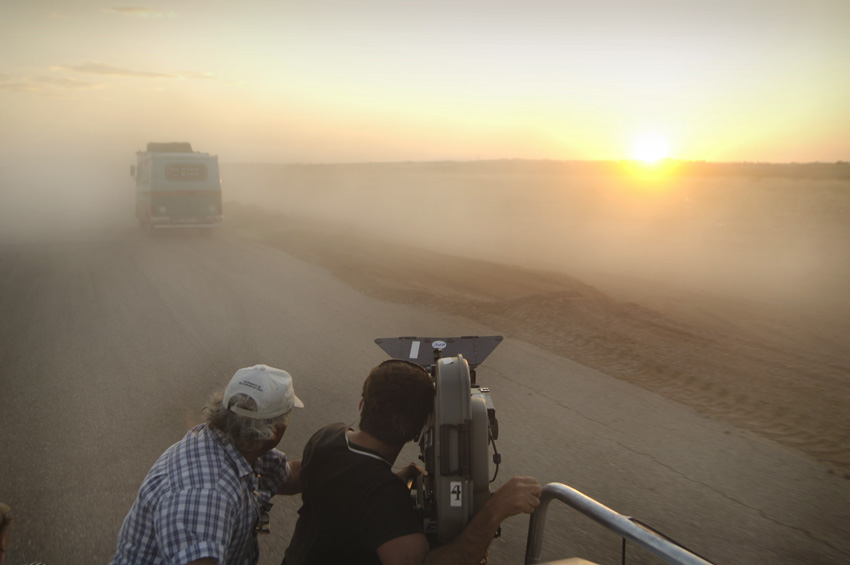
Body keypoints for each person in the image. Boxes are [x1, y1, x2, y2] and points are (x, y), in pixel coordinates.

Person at [283, 359, 541, 565]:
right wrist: (495, 510)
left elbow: (349, 492)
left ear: (363, 405)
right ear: (417, 430)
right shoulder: (386, 499)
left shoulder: (327, 438)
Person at [112, 364, 305, 565]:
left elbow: (289, 475)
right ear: (275, 431)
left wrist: (335, 457)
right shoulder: (206, 494)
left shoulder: (235, 443)